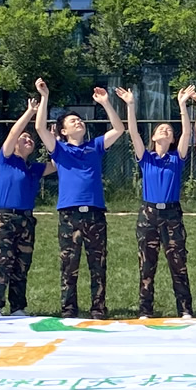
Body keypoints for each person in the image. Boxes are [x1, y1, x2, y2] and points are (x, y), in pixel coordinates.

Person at [32, 79, 126, 320]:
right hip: (69, 214)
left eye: (80, 120)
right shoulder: (60, 150)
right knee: (69, 265)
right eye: (73, 121)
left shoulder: (95, 146)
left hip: (95, 212)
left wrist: (106, 103)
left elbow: (118, 130)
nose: (79, 122)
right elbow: (40, 128)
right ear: (63, 131)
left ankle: (98, 309)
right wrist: (44, 97)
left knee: (98, 264)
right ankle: (69, 310)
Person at [120, 86, 194, 318]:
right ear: (153, 137)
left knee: (178, 263)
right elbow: (133, 133)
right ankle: (145, 309)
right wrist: (130, 105)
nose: (165, 130)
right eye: (161, 129)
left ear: (172, 139)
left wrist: (182, 106)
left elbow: (187, 133)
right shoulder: (146, 158)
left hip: (172, 215)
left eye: (169, 130)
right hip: (148, 215)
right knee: (147, 264)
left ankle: (185, 309)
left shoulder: (177, 158)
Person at [0, 98, 54, 316]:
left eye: (31, 138)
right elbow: (12, 134)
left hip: (26, 220)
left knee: (21, 265)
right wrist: (30, 112)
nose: (28, 139)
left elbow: (57, 164)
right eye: (24, 137)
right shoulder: (6, 159)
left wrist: (54, 141)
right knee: (1, 264)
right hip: (6, 219)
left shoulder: (34, 168)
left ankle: (18, 307)